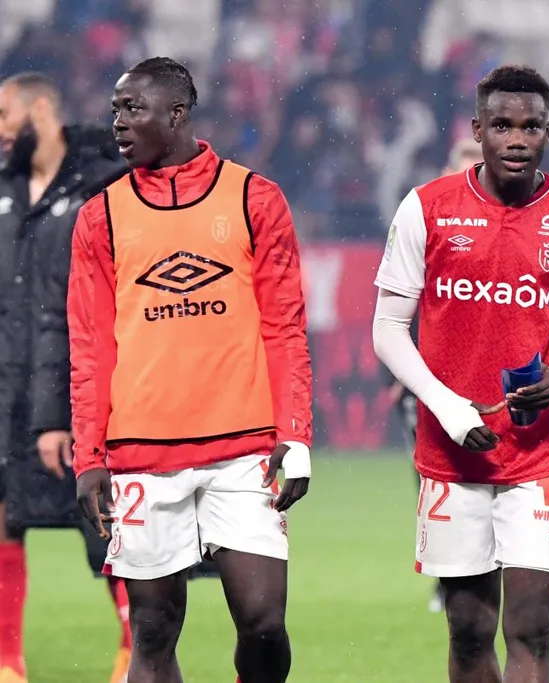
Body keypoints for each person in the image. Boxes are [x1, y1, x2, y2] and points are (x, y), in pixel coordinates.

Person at [372, 65, 549, 683]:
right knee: (468, 630)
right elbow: (386, 327)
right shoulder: (426, 209)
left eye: (531, 126)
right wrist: (444, 404)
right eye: (503, 126)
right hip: (451, 451)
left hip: (543, 454)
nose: (517, 139)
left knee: (531, 628)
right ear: (477, 129)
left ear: (548, 131)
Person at [69, 57, 312, 683]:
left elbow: (284, 328)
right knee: (151, 630)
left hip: (243, 452)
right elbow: (91, 347)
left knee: (263, 623)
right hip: (141, 453)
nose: (118, 123)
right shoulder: (101, 216)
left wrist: (297, 435)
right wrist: (90, 455)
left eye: (133, 109)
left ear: (177, 115)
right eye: (116, 109)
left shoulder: (254, 198)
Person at [0, 72, 131, 683]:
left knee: (106, 522)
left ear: (42, 108)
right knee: (3, 518)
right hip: (5, 386)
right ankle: (7, 662)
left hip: (80, 385)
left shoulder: (105, 185)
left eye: (5, 115)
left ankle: (135, 648)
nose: (0, 131)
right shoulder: (1, 191)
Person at [381, 137, 485, 614]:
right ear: (448, 168)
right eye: (465, 163)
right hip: (428, 381)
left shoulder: (509, 223)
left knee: (495, 480)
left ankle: (487, 575)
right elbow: (395, 308)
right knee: (433, 481)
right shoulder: (424, 218)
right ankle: (450, 580)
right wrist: (406, 375)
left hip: (487, 380)